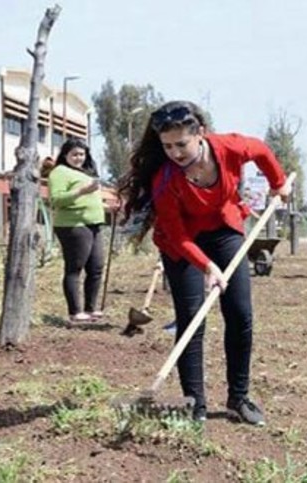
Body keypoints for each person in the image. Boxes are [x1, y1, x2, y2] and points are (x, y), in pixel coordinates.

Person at [118, 101, 290, 425]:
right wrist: (207, 267)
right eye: (167, 146)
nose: (175, 153)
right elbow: (179, 236)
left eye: (181, 144)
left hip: (223, 230)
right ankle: (194, 406)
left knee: (239, 313)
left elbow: (263, 151)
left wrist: (278, 183)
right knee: (192, 319)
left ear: (200, 133)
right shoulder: (165, 180)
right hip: (180, 244)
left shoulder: (228, 148)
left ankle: (239, 398)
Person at [48, 138, 108, 322]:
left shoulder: (86, 173)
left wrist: (104, 205)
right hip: (73, 225)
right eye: (74, 154)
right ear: (65, 154)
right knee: (75, 268)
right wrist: (81, 191)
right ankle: (75, 311)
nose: (78, 158)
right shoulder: (59, 172)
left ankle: (90, 309)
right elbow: (56, 200)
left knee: (96, 267)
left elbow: (90, 197)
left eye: (81, 154)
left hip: (94, 223)